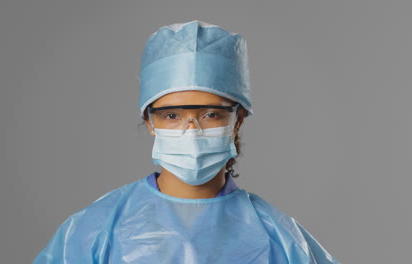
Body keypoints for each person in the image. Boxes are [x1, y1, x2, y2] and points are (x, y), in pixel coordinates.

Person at [33, 20, 340, 264]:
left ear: (238, 119)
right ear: (150, 121)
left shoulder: (282, 239)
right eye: (172, 116)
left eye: (210, 114)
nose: (191, 131)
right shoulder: (93, 231)